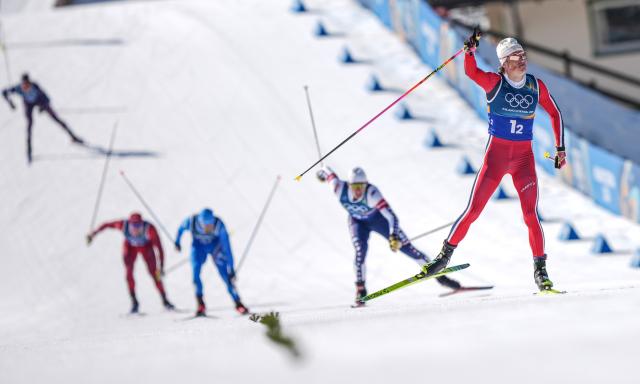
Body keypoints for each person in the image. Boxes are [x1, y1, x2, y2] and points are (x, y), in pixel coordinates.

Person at [423, 31, 566, 292]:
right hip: (496, 159)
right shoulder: (494, 83)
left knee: (530, 215)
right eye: (514, 57)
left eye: (523, 55)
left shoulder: (536, 85)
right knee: (473, 211)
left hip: (523, 160)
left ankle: (541, 272)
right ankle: (443, 257)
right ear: (503, 62)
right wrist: (469, 51)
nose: (521, 61)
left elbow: (554, 113)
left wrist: (560, 148)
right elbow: (470, 72)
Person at [317, 166, 461, 305]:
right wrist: (321, 173)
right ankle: (360, 290)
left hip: (379, 221)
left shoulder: (372, 193)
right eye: (355, 187)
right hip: (357, 223)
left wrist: (393, 236)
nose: (359, 190)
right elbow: (327, 171)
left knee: (410, 249)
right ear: (349, 185)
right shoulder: (338, 188)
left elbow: (391, 216)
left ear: (366, 184)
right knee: (360, 251)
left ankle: (440, 277)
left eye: (361, 186)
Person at [87, 212, 175, 313]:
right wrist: (93, 233)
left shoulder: (150, 229)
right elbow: (107, 225)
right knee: (129, 273)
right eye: (133, 225)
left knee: (154, 273)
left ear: (142, 224)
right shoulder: (123, 225)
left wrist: (161, 266)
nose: (135, 228)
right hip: (130, 247)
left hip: (146, 247)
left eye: (138, 225)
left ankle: (165, 301)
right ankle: (134, 303)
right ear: (129, 224)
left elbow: (159, 248)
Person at [175, 208, 249, 316]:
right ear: (201, 223)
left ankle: (238, 303)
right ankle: (200, 304)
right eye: (207, 225)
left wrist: (231, 268)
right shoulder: (192, 221)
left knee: (225, 275)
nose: (210, 227)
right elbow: (181, 228)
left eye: (211, 224)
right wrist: (177, 241)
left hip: (215, 247)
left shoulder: (219, 225)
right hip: (198, 247)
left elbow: (227, 248)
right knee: (195, 273)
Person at [2, 73, 84, 164]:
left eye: (27, 84)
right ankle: (29, 151)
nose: (26, 86)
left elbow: (46, 97)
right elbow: (4, 92)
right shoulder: (18, 88)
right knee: (29, 126)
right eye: (24, 85)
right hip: (28, 105)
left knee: (56, 119)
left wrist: (43, 107)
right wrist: (11, 103)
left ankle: (73, 137)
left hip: (39, 101)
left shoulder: (35, 86)